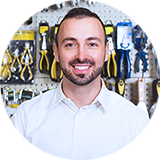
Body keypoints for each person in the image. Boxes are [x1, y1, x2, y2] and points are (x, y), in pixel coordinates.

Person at [0, 7, 158, 160]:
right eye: (70, 44)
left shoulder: (137, 123)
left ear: (106, 51)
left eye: (92, 44)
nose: (81, 56)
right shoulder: (24, 117)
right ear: (55, 52)